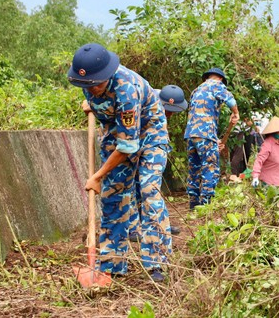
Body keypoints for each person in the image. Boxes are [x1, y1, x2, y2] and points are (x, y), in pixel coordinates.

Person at [67, 43, 172, 284]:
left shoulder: (127, 89)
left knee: (148, 191)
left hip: (149, 137)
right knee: (112, 195)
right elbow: (104, 113)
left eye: (97, 85)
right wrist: (92, 103)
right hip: (118, 135)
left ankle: (157, 262)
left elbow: (127, 147)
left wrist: (97, 175)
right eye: (87, 86)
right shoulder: (89, 84)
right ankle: (111, 264)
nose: (92, 89)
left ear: (108, 75)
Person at [129, 84, 187, 239]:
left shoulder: (164, 114)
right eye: (167, 110)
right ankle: (134, 229)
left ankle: (159, 227)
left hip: (154, 145)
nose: (169, 114)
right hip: (132, 144)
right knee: (133, 186)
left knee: (150, 188)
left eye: (172, 111)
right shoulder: (142, 96)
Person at [184, 67, 239, 209]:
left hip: (191, 135)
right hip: (206, 134)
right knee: (210, 167)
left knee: (194, 168)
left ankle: (193, 202)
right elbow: (231, 101)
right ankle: (205, 203)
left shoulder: (196, 90)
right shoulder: (217, 85)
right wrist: (235, 113)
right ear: (220, 78)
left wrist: (215, 140)